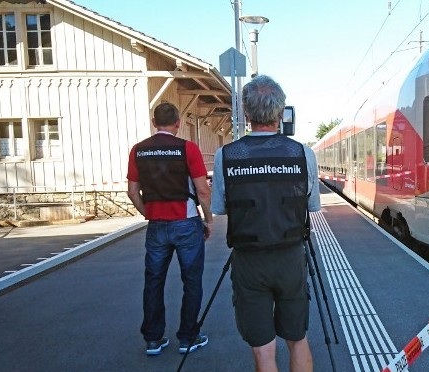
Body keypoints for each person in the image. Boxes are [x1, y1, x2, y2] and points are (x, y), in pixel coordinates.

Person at [211, 75, 321, 372]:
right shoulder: (302, 154)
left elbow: (220, 208)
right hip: (291, 258)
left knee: (263, 349)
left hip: (249, 262)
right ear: (280, 112)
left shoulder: (226, 156)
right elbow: (312, 205)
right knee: (298, 338)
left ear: (246, 114)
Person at [126, 102, 213, 356]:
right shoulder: (187, 148)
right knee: (192, 280)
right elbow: (203, 190)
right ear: (177, 123)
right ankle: (188, 337)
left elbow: (132, 192)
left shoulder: (138, 150)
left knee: (153, 281)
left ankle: (153, 339)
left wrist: (149, 213)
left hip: (156, 226)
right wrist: (208, 220)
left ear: (154, 123)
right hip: (186, 223)